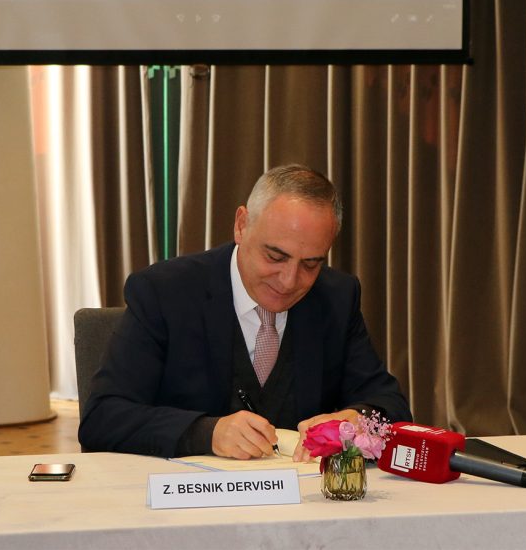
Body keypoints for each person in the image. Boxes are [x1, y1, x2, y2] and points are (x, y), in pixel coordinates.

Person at [79, 164, 411, 460]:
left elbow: (390, 405)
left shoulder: (336, 297)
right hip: (187, 497)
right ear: (241, 225)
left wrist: (356, 419)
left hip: (304, 501)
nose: (289, 281)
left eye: (310, 264)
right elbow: (103, 418)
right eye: (275, 257)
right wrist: (206, 432)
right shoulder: (164, 292)